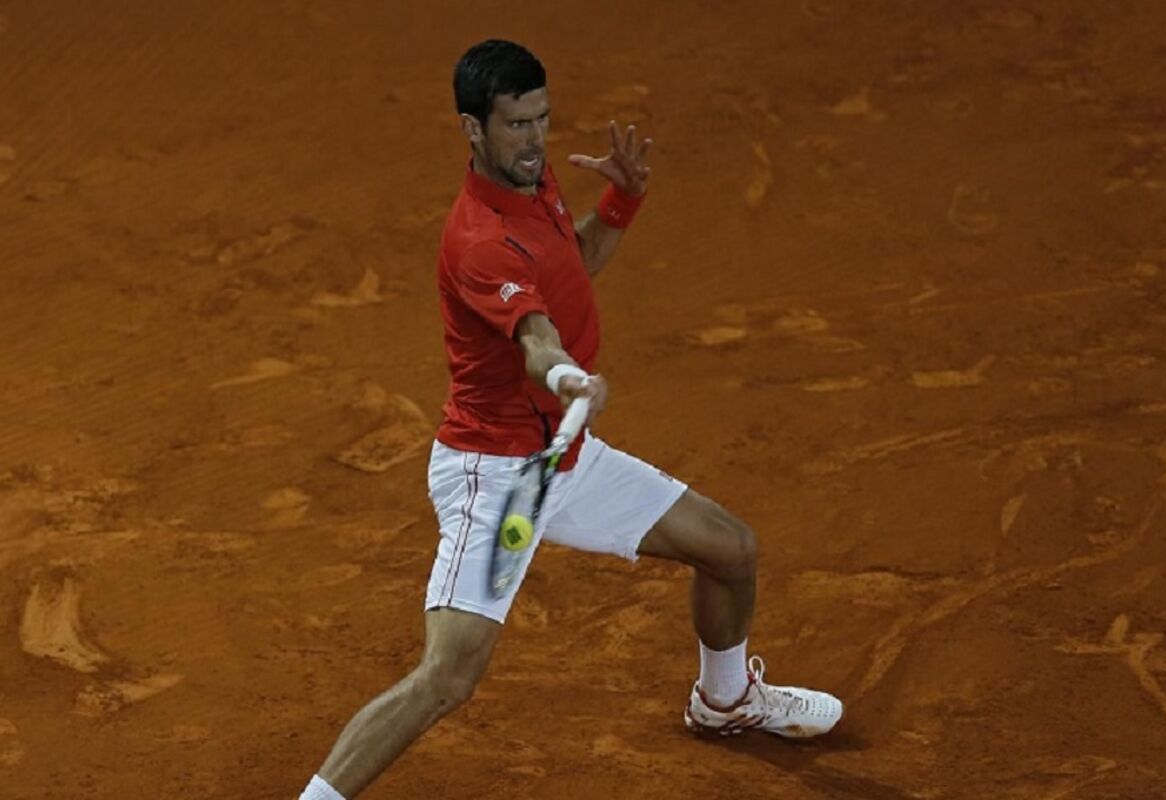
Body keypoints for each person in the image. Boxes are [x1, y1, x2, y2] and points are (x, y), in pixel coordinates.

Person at [298, 38, 842, 800]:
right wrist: (569, 378)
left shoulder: (535, 180)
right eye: (516, 125)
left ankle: (724, 701)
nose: (535, 140)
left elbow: (570, 265)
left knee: (731, 549)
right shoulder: (479, 240)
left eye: (542, 119)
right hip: (498, 479)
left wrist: (621, 204)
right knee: (447, 677)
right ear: (472, 129)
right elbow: (534, 340)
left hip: (564, 455)